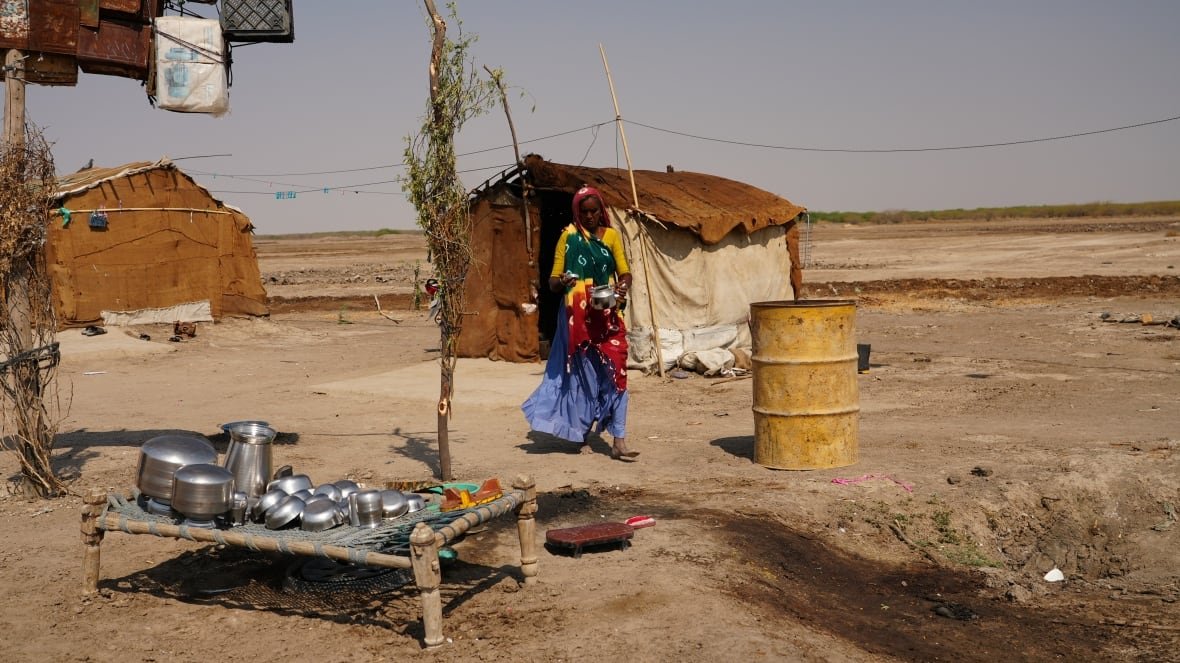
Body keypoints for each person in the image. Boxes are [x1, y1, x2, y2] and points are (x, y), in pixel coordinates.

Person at [522, 186, 639, 461]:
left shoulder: (611, 236)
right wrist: (562, 282)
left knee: (617, 374)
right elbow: (552, 281)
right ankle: (581, 432)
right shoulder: (568, 237)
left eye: (593, 211)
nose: (589, 217)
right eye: (584, 212)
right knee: (584, 377)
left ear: (601, 211)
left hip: (609, 316)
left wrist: (622, 286)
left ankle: (619, 440)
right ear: (577, 212)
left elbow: (625, 272)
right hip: (578, 320)